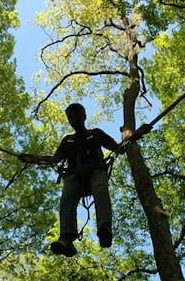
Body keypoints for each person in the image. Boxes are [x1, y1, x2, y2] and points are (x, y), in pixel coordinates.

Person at [19, 103, 150, 257]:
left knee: (101, 191)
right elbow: (54, 159)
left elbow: (118, 148)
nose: (73, 119)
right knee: (67, 199)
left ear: (84, 116)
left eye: (76, 115)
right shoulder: (67, 141)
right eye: (70, 117)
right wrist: (33, 158)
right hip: (74, 177)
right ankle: (66, 239)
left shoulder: (95, 134)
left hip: (95, 172)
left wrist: (137, 134)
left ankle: (104, 228)